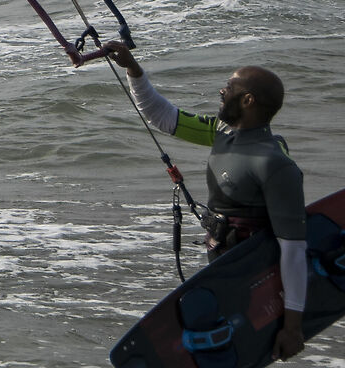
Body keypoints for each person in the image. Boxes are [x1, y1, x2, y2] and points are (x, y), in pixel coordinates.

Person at [104, 43, 308, 361]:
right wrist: (133, 68)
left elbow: (294, 248)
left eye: (229, 88)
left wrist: (293, 327)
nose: (221, 91)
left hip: (251, 277)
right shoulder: (222, 132)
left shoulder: (274, 163)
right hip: (218, 266)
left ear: (248, 100)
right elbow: (163, 116)